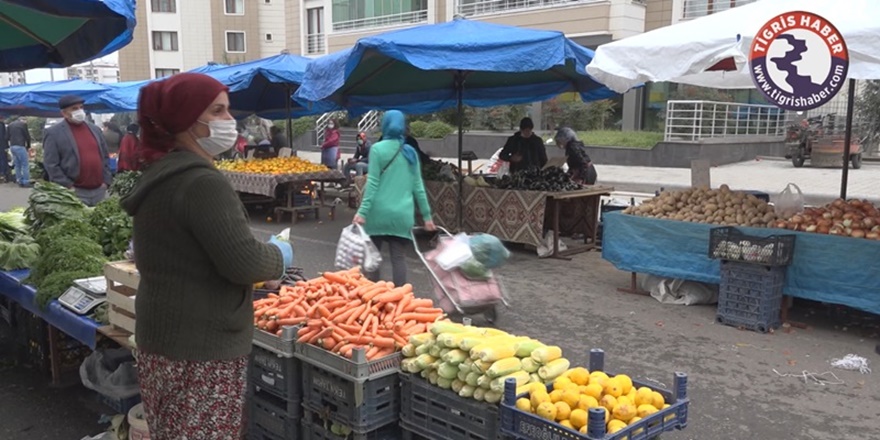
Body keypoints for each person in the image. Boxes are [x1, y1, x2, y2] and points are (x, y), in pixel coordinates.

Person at [119, 73, 294, 439]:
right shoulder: (201, 182)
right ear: (187, 121)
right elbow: (243, 263)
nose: (229, 121)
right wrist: (278, 256)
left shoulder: (160, 174)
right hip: (200, 350)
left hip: (161, 340)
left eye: (227, 110)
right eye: (217, 111)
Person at [354, 110, 435, 286]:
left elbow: (373, 183)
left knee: (373, 258)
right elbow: (418, 188)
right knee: (398, 259)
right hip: (402, 215)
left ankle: (373, 301)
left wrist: (362, 211)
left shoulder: (377, 149)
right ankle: (399, 301)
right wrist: (427, 217)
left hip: (378, 213)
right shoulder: (411, 153)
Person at [43, 95, 112, 206]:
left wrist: (106, 181)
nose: (79, 111)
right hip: (75, 192)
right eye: (74, 109)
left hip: (99, 190)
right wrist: (68, 186)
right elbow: (51, 164)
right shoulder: (53, 133)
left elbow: (104, 156)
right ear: (64, 113)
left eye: (81, 107)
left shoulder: (95, 130)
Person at [7, 116, 31, 187]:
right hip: (20, 146)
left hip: (12, 146)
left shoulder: (10, 125)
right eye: (25, 120)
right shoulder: (23, 125)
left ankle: (19, 180)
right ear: (22, 120)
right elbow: (27, 136)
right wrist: (28, 146)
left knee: (17, 165)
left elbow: (7, 137)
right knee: (25, 164)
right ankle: (26, 182)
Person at [0, 116, 11, 183]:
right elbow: (4, 137)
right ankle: (3, 174)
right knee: (3, 160)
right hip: (2, 146)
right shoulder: (2, 125)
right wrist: (6, 146)